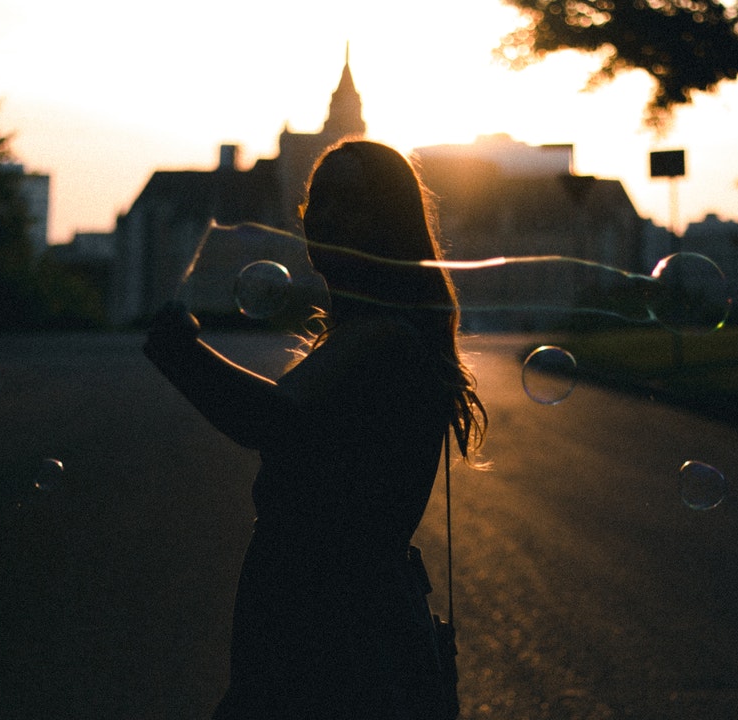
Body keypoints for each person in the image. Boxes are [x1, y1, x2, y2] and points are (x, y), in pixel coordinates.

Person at [144, 140, 487, 719]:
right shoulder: (381, 333)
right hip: (339, 620)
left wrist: (183, 353)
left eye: (352, 203)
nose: (327, 217)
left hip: (336, 631)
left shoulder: (383, 336)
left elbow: (272, 417)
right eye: (319, 201)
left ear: (390, 225)